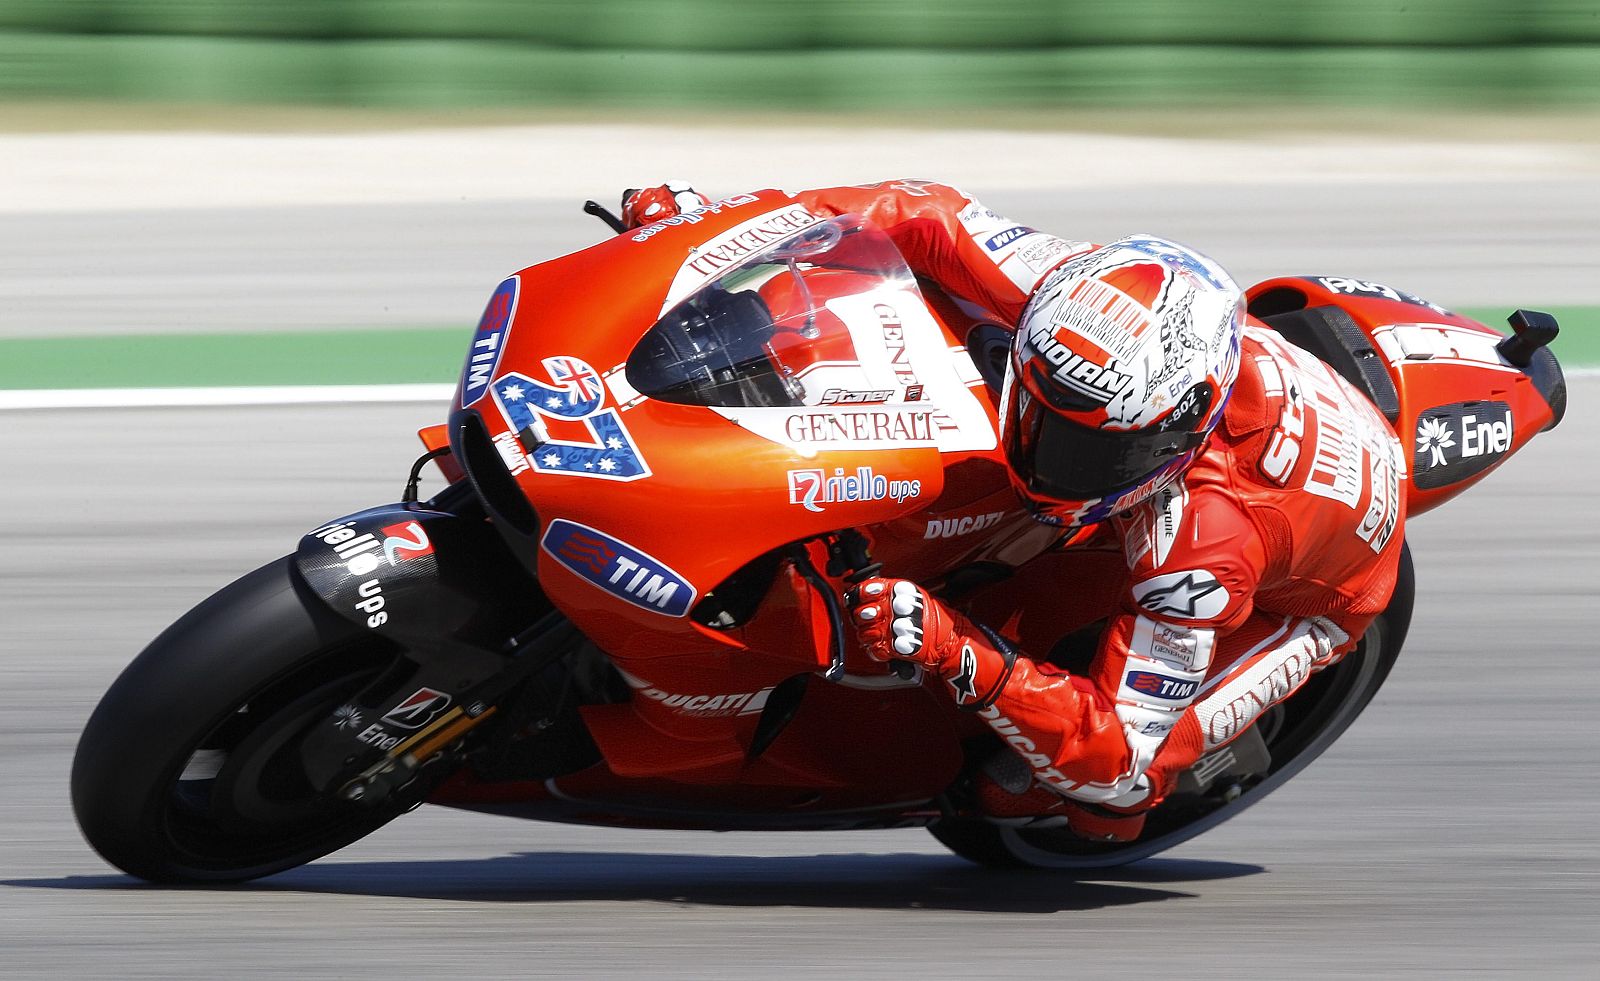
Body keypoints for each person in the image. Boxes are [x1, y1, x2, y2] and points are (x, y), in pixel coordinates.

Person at [621, 180, 1408, 841]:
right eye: (1038, 414)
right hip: (1237, 401)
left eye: (1090, 451)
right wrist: (713, 238)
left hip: (1317, 596)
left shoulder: (1202, 545)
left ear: (1179, 425)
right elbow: (911, 209)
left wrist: (955, 647)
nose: (1047, 459)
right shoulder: (1070, 294)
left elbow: (1121, 760)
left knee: (1098, 803)